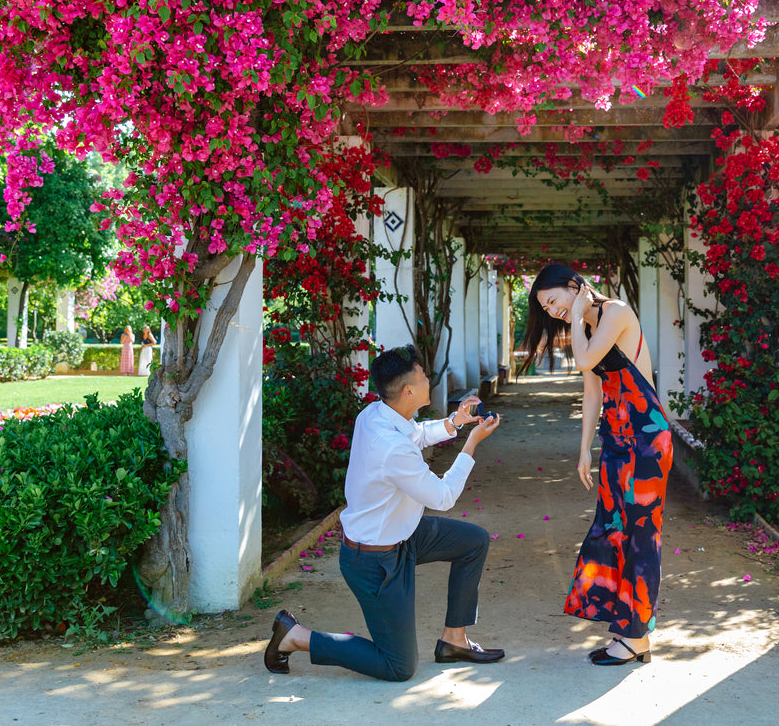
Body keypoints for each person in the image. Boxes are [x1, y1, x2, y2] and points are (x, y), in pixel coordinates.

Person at [262, 345, 506, 681]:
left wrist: (455, 422)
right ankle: (297, 637)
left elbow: (416, 435)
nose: (427, 381)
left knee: (473, 541)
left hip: (403, 537)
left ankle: (454, 640)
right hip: (374, 563)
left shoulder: (378, 413)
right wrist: (471, 443)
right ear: (408, 391)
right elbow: (444, 496)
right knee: (398, 666)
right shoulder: (391, 447)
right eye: (423, 377)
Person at [522, 263, 672, 667]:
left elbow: (587, 362)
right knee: (612, 530)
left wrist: (575, 319)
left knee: (641, 535)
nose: (553, 311)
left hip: (645, 438)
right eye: (546, 307)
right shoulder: (586, 328)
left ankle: (636, 638)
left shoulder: (616, 312)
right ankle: (628, 632)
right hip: (617, 439)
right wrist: (585, 448)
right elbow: (592, 391)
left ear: (575, 286)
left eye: (554, 300)